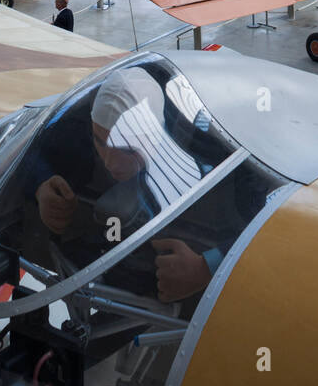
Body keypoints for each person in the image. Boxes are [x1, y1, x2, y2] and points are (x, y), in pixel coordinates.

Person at [32, 68, 213, 303]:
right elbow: (28, 149)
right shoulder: (78, 124)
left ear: (158, 133)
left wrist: (206, 267)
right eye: (100, 142)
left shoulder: (207, 139)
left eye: (126, 148)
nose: (110, 163)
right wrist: (39, 184)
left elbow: (268, 206)